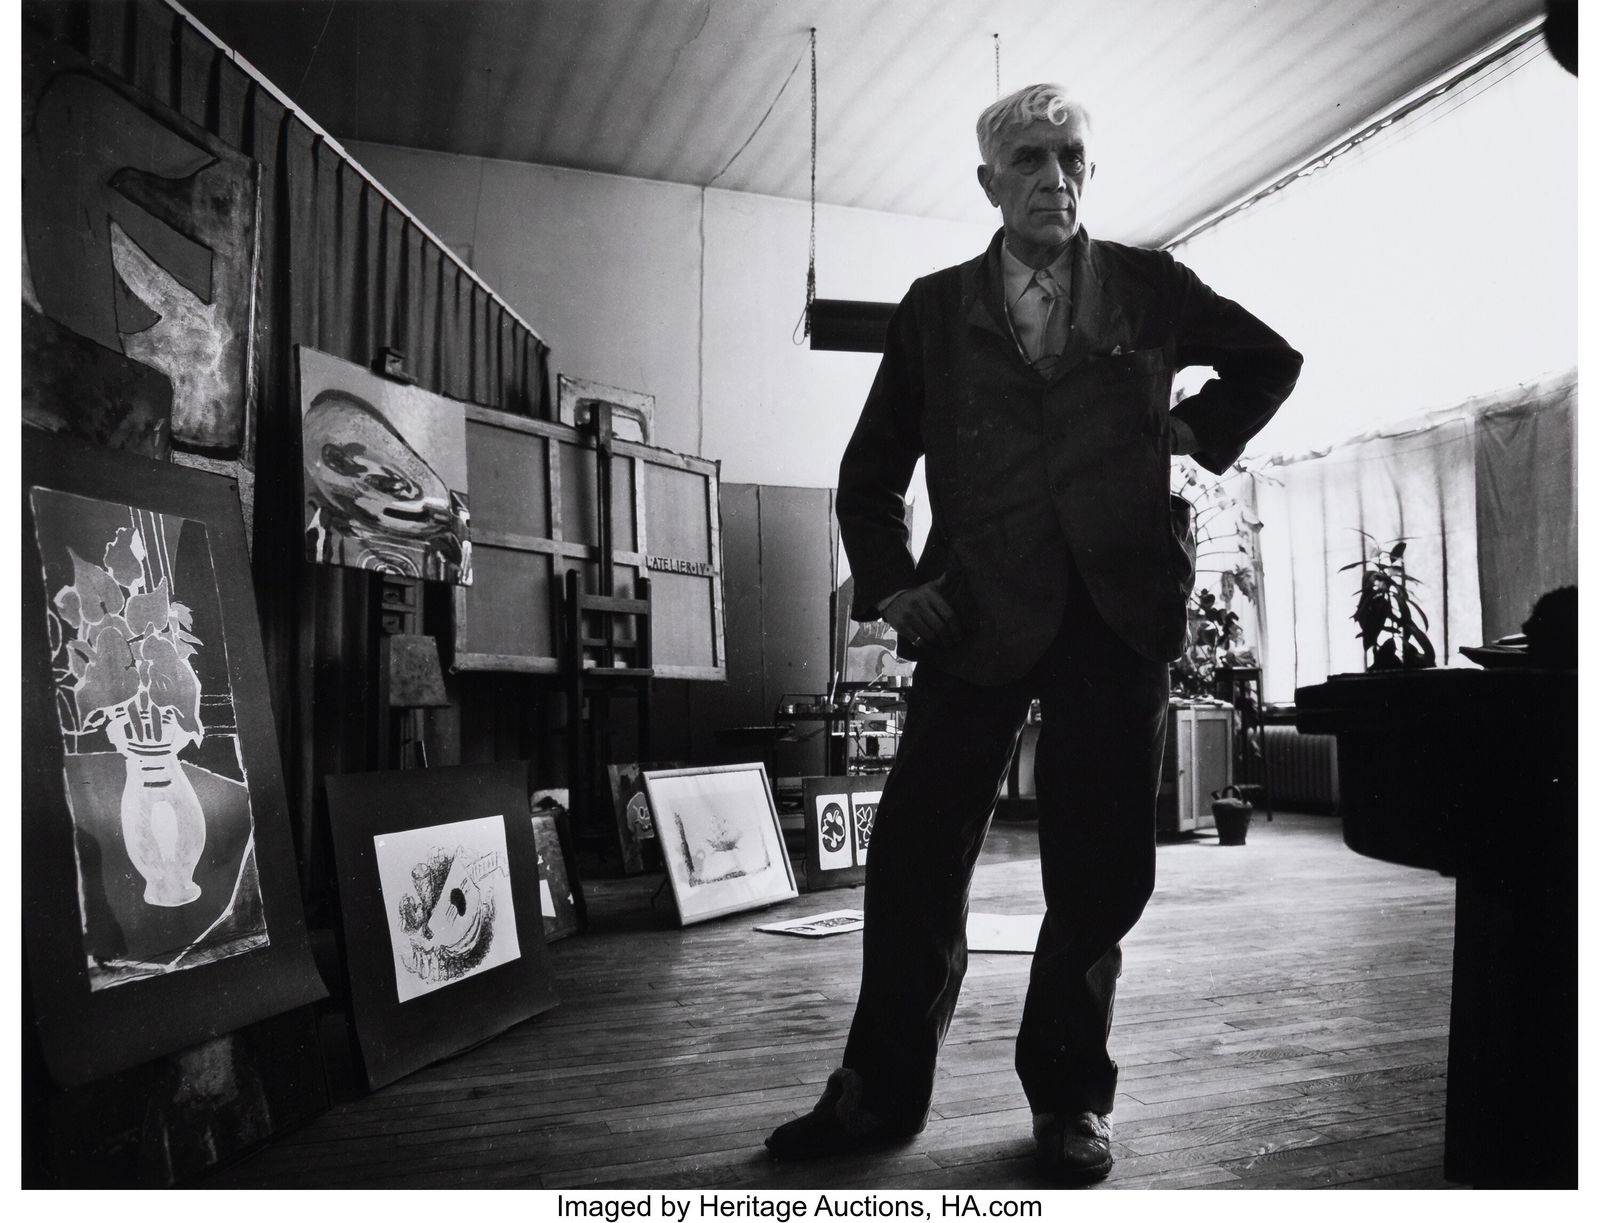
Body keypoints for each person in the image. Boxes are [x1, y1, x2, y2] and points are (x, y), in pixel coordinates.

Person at [765, 83, 1301, 1184]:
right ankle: (877, 1092)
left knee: (1099, 868)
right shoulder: (932, 308)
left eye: (1070, 156)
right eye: (1027, 157)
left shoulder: (1149, 287)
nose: (1054, 174)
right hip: (976, 610)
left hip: (1117, 610)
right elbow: (871, 476)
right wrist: (888, 584)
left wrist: (1197, 429)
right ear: (987, 181)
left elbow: (1269, 358)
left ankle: (1068, 1098)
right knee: (915, 851)